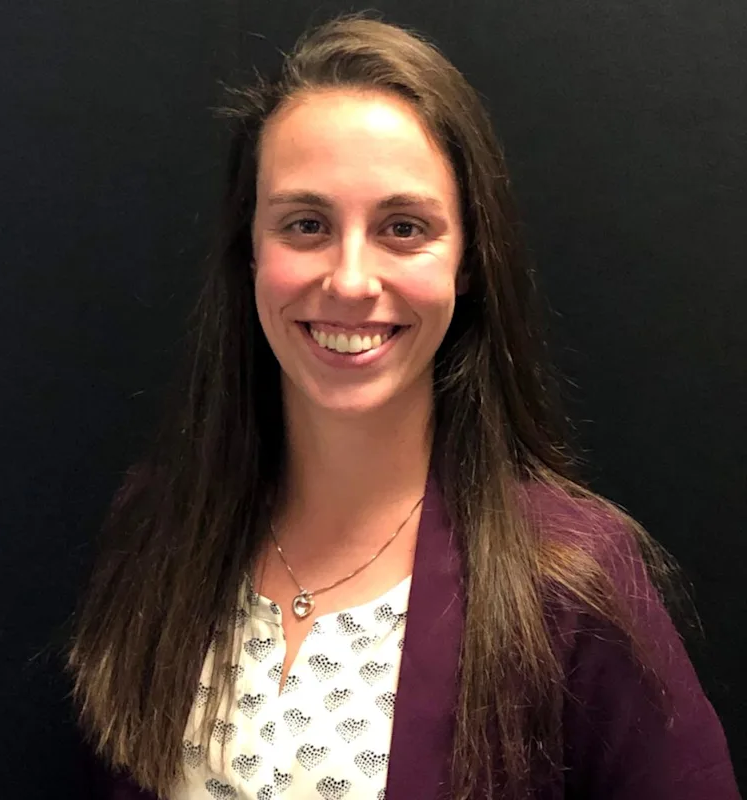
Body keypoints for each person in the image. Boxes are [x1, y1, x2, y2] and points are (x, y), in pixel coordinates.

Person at [68, 13, 740, 800]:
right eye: (307, 224)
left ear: (466, 262)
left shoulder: (570, 579)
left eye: (404, 227)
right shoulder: (159, 531)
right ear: (251, 250)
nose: (351, 280)